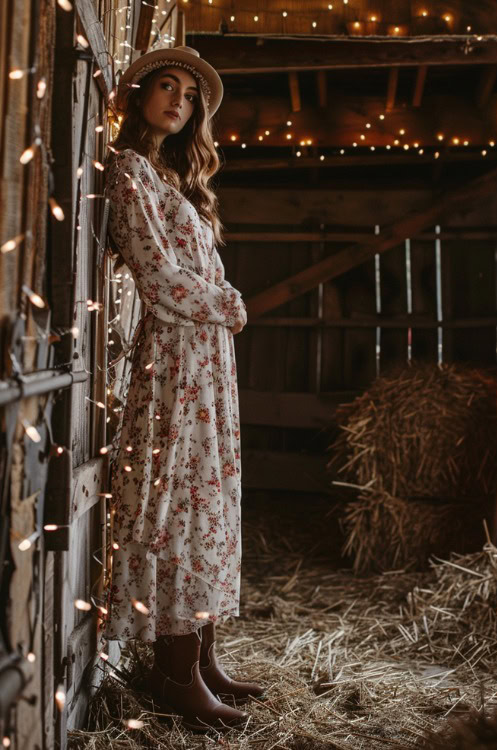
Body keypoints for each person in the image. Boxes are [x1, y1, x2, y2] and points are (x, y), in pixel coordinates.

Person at [101, 45, 265, 732]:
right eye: (165, 87)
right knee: (178, 500)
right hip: (173, 360)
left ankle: (201, 650)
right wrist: (229, 303)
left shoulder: (177, 179)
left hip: (206, 364)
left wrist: (218, 310)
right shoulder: (128, 171)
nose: (178, 101)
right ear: (138, 96)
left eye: (189, 95)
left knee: (209, 497)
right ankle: (174, 671)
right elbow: (158, 278)